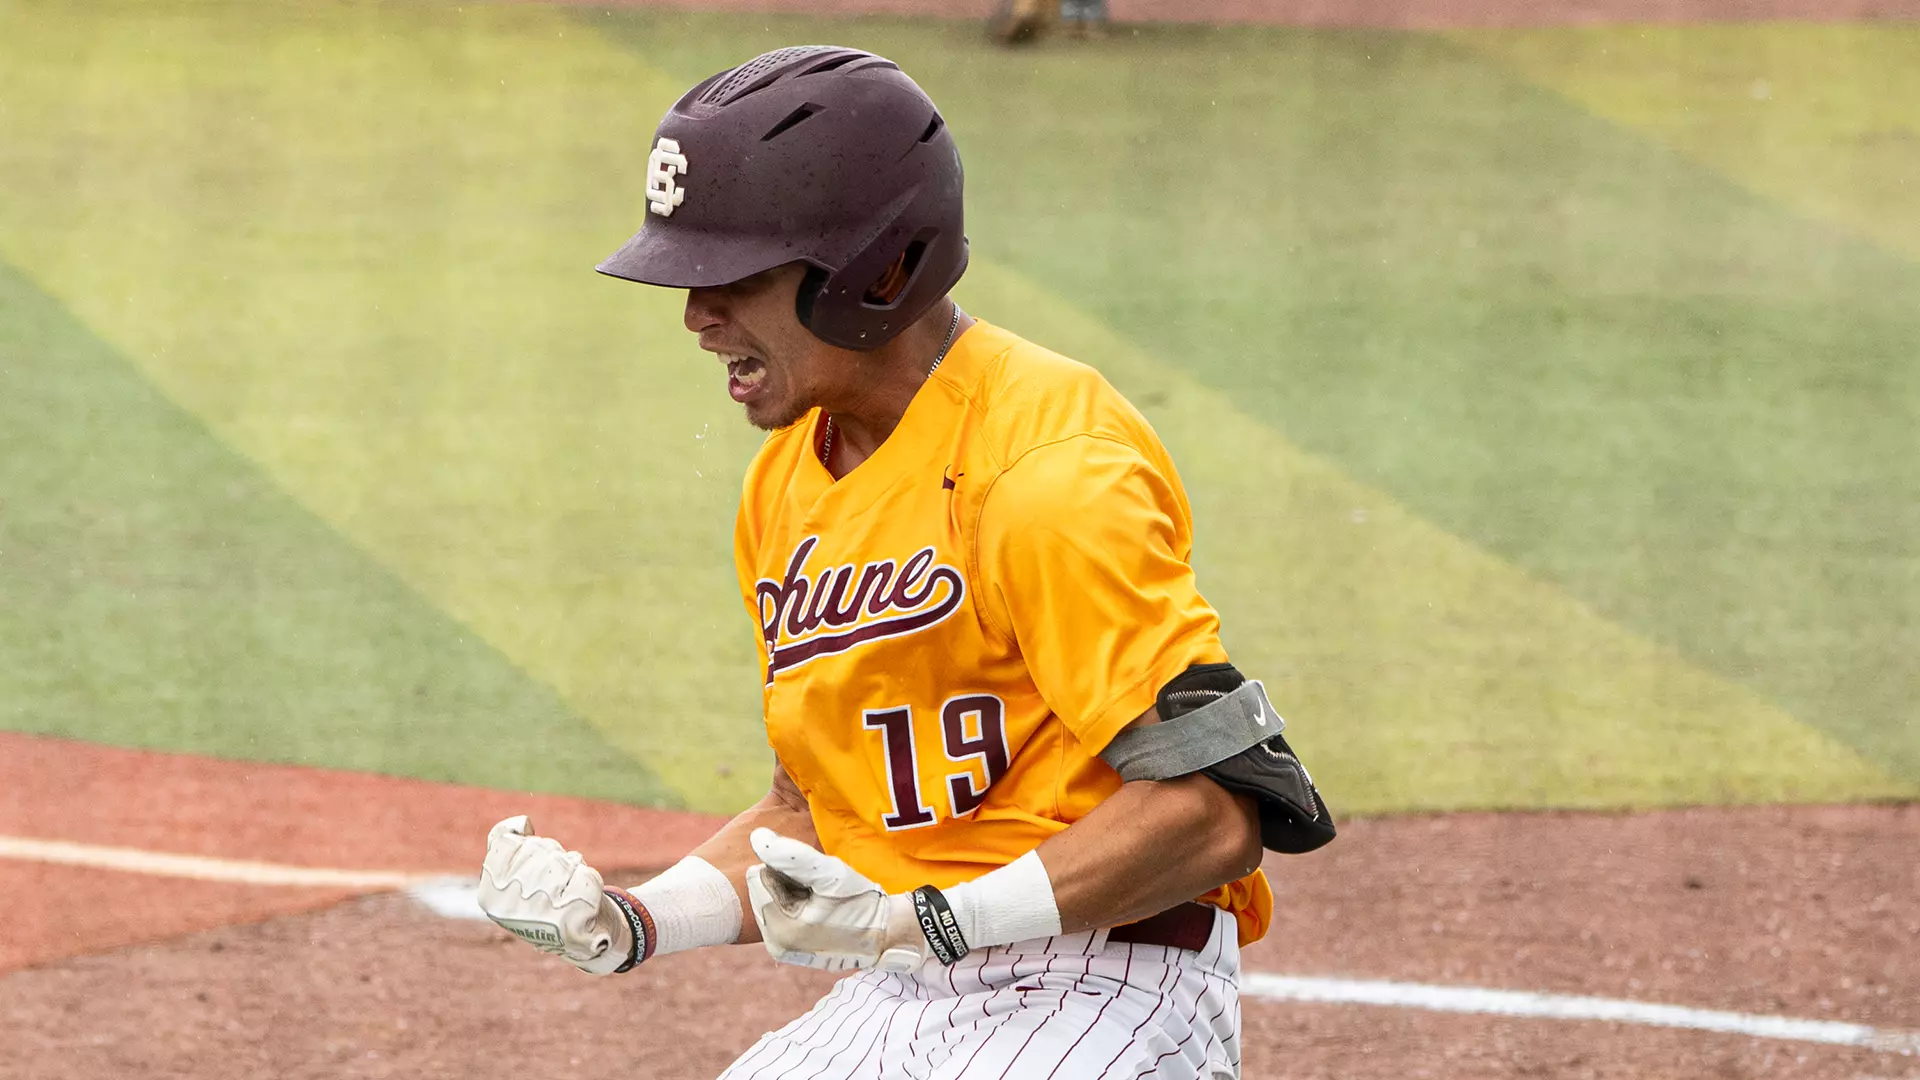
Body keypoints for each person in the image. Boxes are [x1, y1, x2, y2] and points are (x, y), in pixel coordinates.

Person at [475, 45, 1335, 1080]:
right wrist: (628, 920)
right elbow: (807, 816)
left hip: (1110, 982)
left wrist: (922, 920)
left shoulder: (1048, 473)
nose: (697, 317)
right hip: (914, 984)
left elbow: (1211, 818)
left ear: (877, 273)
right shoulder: (789, 478)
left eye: (732, 276)